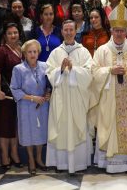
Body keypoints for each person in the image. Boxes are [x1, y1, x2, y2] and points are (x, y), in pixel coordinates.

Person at [90, 0, 127, 173]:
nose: (119, 34)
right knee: (109, 127)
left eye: (122, 31)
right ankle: (108, 163)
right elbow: (94, 72)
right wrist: (109, 70)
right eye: (116, 30)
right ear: (111, 30)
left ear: (126, 31)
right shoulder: (102, 50)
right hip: (109, 100)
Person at [45, 20, 94, 174]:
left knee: (77, 125)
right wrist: (60, 69)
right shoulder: (55, 52)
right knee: (60, 126)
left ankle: (79, 163)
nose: (68, 32)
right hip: (60, 97)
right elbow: (49, 71)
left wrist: (73, 69)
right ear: (62, 32)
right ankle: (61, 163)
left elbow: (89, 72)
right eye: (65, 29)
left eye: (71, 29)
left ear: (75, 31)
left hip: (77, 97)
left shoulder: (83, 51)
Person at [11, 39, 51, 175]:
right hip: (26, 107)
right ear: (24, 54)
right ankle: (31, 159)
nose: (32, 54)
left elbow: (49, 85)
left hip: (42, 106)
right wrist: (33, 98)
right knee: (28, 133)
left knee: (40, 132)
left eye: (35, 51)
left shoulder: (45, 66)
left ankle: (39, 158)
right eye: (29, 52)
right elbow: (15, 89)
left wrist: (47, 94)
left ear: (38, 53)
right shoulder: (18, 69)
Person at [0, 18, 24, 170]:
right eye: (10, 33)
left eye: (15, 32)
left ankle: (15, 153)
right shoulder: (0, 51)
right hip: (4, 95)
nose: (13, 35)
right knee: (4, 127)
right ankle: (5, 156)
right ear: (4, 35)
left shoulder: (22, 49)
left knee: (15, 126)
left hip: (19, 95)